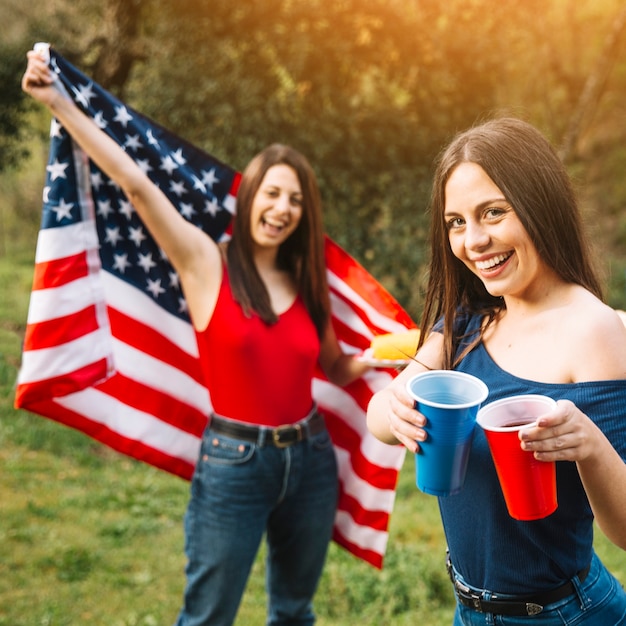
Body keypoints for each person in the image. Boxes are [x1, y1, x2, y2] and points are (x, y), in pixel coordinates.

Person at [22, 49, 372, 626]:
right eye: (272, 192)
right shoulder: (206, 261)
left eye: (295, 199)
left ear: (305, 213)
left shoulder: (308, 282)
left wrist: (388, 356)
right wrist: (58, 102)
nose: (282, 208)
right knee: (208, 617)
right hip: (235, 463)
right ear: (250, 194)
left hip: (311, 460)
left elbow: (335, 368)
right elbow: (136, 184)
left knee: (295, 612)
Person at [367, 117, 626, 624]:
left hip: (563, 614)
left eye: (493, 213)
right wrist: (393, 407)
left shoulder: (592, 330)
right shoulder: (465, 322)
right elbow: (380, 417)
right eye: (457, 222)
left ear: (539, 205)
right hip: (471, 611)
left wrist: (590, 445)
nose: (474, 240)